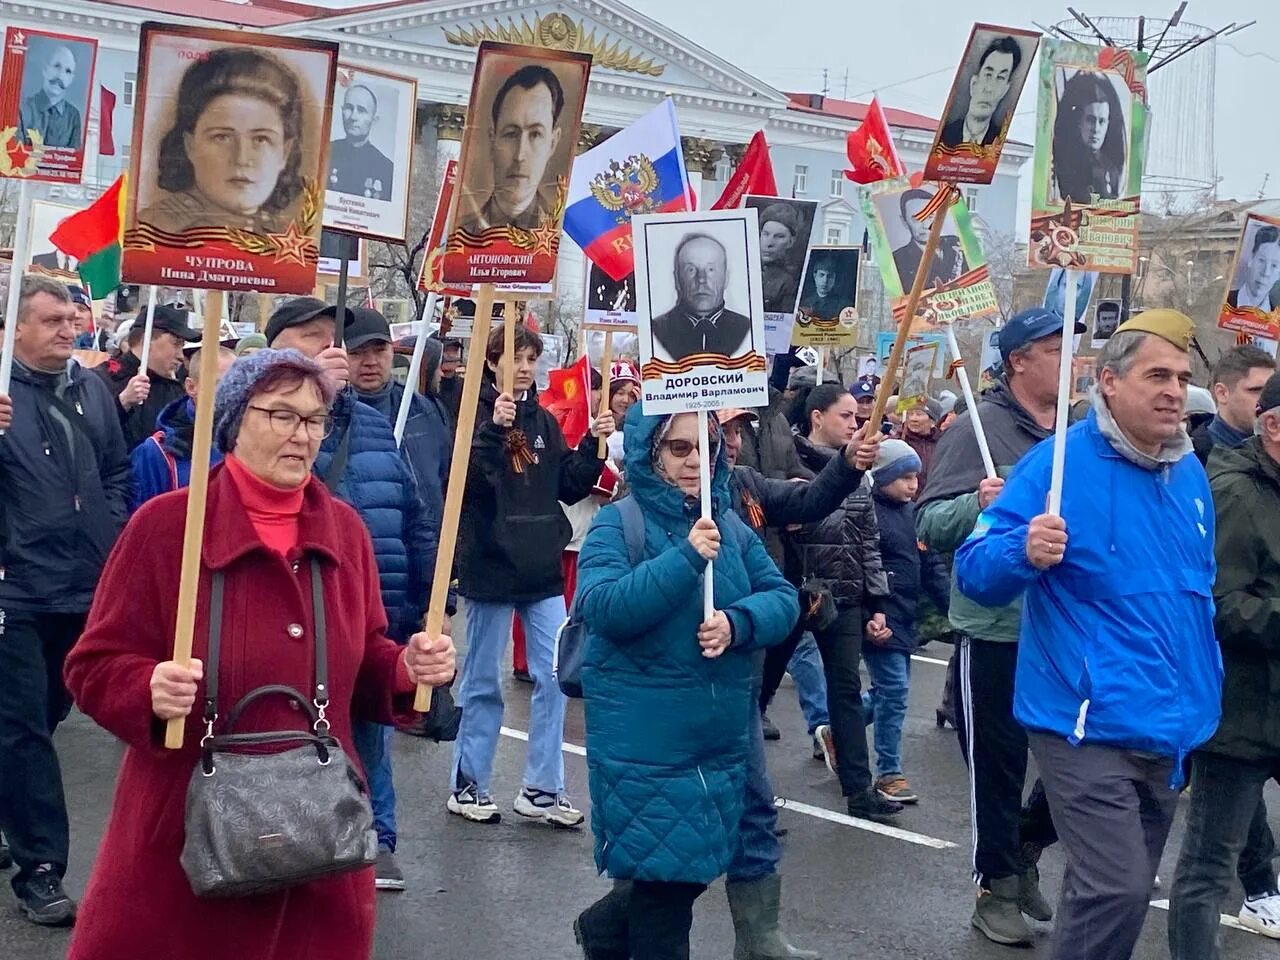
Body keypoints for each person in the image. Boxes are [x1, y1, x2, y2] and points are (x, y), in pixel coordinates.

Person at [61, 348, 456, 960]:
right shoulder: (166, 527)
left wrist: (406, 670)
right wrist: (145, 687)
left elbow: (367, 657)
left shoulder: (345, 530)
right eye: (282, 416)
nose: (302, 435)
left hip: (319, 844)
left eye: (314, 419)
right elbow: (93, 665)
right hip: (185, 841)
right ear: (234, 421)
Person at [955, 309, 1223, 960]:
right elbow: (975, 571)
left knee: (1109, 898)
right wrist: (1023, 548)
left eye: (1182, 376)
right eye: (1157, 374)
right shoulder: (1057, 466)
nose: (1174, 389)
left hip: (1170, 727)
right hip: (1082, 721)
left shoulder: (1189, 475)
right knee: (1119, 886)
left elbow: (1195, 598)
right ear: (1107, 382)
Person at [572, 405, 798, 960]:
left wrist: (737, 623)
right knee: (666, 893)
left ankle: (603, 931)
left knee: (687, 871)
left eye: (707, 446)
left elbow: (782, 598)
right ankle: (608, 932)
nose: (696, 460)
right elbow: (605, 608)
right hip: (647, 739)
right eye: (678, 448)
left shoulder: (729, 521)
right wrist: (686, 558)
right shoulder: (619, 523)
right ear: (651, 454)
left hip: (717, 738)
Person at [267, 298, 435, 891]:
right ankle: (274, 834)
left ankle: (376, 837)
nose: (329, 350)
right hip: (292, 603)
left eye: (329, 338)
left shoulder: (368, 421)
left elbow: (412, 510)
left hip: (373, 603)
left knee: (370, 728)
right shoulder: (253, 419)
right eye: (312, 339)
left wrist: (422, 601)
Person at [916, 307, 1064, 947]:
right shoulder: (978, 430)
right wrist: (975, 503)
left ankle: (1028, 842)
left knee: (1085, 762)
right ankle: (996, 887)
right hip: (999, 626)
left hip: (1068, 625)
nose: (1071, 360)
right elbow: (928, 526)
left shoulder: (1084, 429)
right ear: (1020, 360)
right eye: (1057, 348)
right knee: (998, 768)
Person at [0, 276, 130, 926]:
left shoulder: (91, 389)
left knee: (50, 710)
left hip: (82, 583)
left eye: (70, 318)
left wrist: (106, 528)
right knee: (22, 728)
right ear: (14, 329)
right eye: (50, 319)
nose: (66, 328)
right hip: (14, 589)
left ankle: (10, 809)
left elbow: (115, 467)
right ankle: (41, 870)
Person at [449, 323, 613, 825]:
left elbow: (564, 486)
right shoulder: (475, 418)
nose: (524, 367)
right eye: (514, 357)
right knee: (483, 681)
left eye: (530, 358)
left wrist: (591, 447)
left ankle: (543, 787)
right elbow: (472, 485)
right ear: (492, 362)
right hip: (493, 566)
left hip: (541, 568)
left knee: (554, 678)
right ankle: (469, 782)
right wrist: (493, 432)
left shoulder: (542, 421)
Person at [1169, 371, 1280, 953]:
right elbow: (1216, 605)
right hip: (1237, 710)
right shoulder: (1233, 491)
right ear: (1275, 428)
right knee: (1209, 869)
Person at [787, 383, 900, 822]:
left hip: (846, 594)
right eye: (846, 416)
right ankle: (746, 798)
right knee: (756, 695)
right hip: (795, 590)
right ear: (817, 416)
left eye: (858, 418)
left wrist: (876, 603)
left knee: (846, 691)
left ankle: (858, 787)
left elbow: (868, 541)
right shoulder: (788, 461)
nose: (855, 425)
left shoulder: (862, 472)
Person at [138, 47, 306, 234]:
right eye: (222, 137)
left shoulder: (285, 240)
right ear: (190, 145)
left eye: (261, 139)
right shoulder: (156, 228)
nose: (241, 158)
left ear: (284, 153)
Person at [865, 439, 950, 803]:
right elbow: (861, 567)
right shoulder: (866, 513)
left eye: (916, 476)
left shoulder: (912, 514)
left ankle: (841, 725)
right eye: (904, 477)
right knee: (896, 692)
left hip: (906, 618)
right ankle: (889, 772)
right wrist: (872, 612)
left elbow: (930, 565)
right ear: (884, 476)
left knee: (888, 693)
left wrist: (952, 606)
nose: (913, 484)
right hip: (881, 618)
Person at [456, 64, 564, 234]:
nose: (520, 155)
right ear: (493, 139)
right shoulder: (458, 233)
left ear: (552, 143)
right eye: (511, 134)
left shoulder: (565, 239)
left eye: (535, 134)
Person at [129, 346, 235, 511]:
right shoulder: (158, 452)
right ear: (191, 387)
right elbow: (142, 524)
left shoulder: (251, 444)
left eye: (236, 384)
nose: (231, 394)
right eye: (220, 385)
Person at [94, 305, 199, 451]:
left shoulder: (175, 391)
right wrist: (122, 403)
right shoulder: (99, 380)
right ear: (147, 340)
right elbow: (87, 435)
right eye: (176, 344)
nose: (181, 356)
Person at [652, 233, 752, 361]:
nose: (701, 279)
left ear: (726, 278)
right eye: (691, 269)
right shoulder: (656, 330)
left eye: (711, 269)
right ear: (677, 279)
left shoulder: (747, 329)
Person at [1191, 344, 1274, 464]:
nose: (1267, 399)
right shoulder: (1194, 458)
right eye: (1256, 390)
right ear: (1222, 393)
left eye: (1271, 390)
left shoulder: (1272, 450)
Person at [1052, 70, 1126, 204]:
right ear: (1079, 121)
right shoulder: (1065, 163)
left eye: (1102, 121)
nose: (1096, 129)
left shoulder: (1112, 169)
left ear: (1108, 124)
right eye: (1091, 120)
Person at [940, 35, 1022, 148]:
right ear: (973, 83)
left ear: (1005, 90)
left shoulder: (997, 143)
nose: (989, 89)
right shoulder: (944, 137)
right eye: (988, 75)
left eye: (1001, 78)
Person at [328, 83, 394, 200]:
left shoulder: (386, 168)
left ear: (374, 120)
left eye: (361, 110)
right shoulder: (324, 153)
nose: (353, 117)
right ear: (341, 111)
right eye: (348, 108)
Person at [891, 189, 960, 290]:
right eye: (917, 219)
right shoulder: (897, 261)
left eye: (930, 216)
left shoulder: (958, 244)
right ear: (904, 221)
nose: (925, 225)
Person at [18, 44, 81, 149]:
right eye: (57, 66)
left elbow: (74, 159)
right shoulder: (22, 109)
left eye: (68, 71)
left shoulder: (73, 116)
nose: (60, 76)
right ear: (45, 69)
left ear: (71, 79)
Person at [758, 202, 803, 314]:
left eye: (779, 236)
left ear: (790, 242)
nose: (769, 243)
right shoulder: (741, 269)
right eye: (766, 234)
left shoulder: (788, 282)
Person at [1227, 225, 1280, 313]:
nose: (1266, 273)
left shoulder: (1276, 320)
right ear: (1251, 259)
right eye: (1261, 261)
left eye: (1274, 266)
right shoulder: (1224, 301)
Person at [900, 396, 942, 498]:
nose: (913, 419)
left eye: (919, 414)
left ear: (932, 421)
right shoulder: (900, 442)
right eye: (910, 414)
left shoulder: (943, 443)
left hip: (933, 500)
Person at [798, 251, 847, 322]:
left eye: (829, 276)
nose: (825, 281)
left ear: (834, 279)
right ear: (815, 276)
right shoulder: (804, 303)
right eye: (821, 275)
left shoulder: (844, 305)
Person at [436, 337, 464, 426]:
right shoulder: (427, 387)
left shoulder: (466, 388)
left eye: (455, 351)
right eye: (446, 350)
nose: (451, 355)